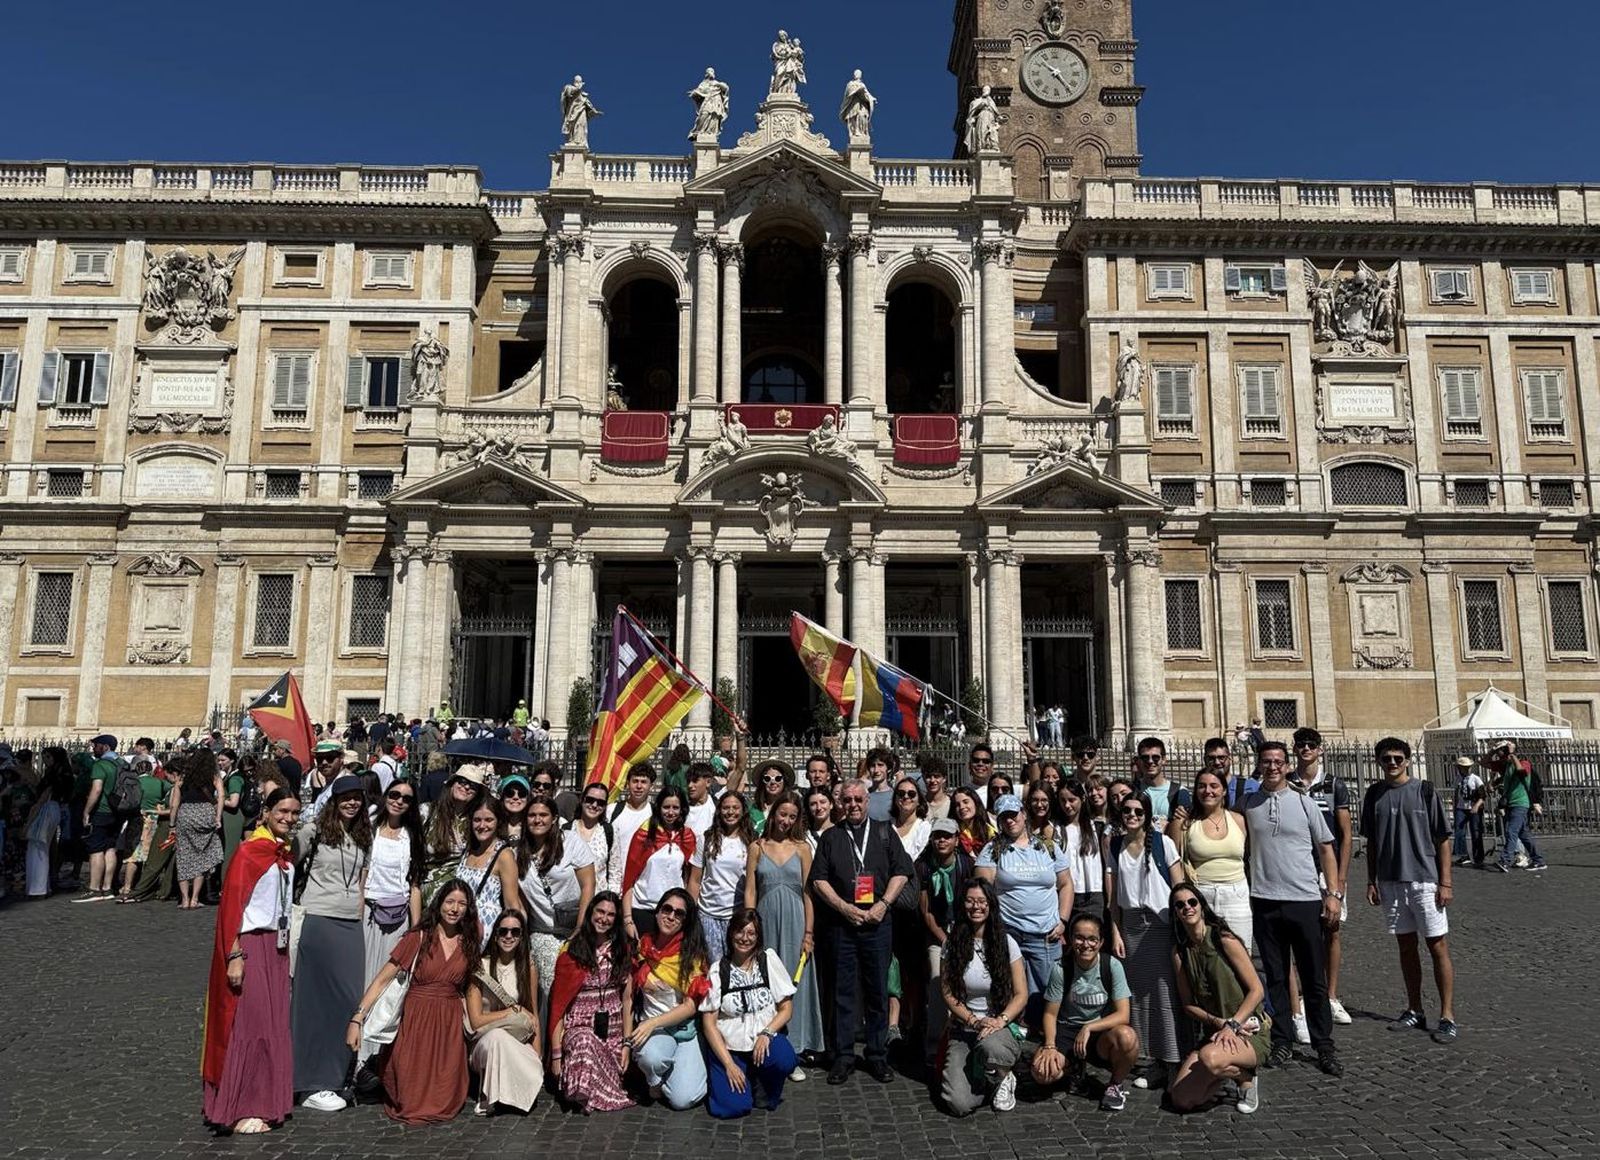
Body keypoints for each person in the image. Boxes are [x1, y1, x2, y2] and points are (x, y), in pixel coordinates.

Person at [1240, 741, 1344, 1076]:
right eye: (1266, 761)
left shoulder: (1304, 802)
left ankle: (1323, 1044)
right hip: (1264, 899)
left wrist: (1333, 894)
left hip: (1304, 899)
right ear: (1259, 765)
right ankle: (1282, 1040)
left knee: (1313, 977)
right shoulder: (1247, 805)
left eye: (1278, 762)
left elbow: (1326, 849)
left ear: (1286, 766)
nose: (1272, 767)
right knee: (1276, 977)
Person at [201, 788, 300, 1134]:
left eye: (294, 813)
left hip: (277, 948)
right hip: (251, 946)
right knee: (249, 1025)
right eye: (282, 811)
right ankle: (241, 1106)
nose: (288, 818)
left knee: (273, 1025)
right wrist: (234, 955)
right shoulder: (249, 852)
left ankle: (267, 1101)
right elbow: (232, 908)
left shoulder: (284, 851)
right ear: (266, 813)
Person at [347, 879, 480, 1125]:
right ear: (439, 904)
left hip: (448, 1023)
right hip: (416, 1020)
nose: (455, 909)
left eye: (462, 904)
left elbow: (472, 986)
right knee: (410, 1096)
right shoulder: (418, 937)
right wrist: (358, 1018)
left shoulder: (470, 942)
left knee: (445, 1094)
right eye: (450, 902)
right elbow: (381, 980)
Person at [809, 778, 915, 1085]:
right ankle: (843, 1056)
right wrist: (844, 907)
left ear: (867, 802)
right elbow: (818, 880)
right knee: (843, 992)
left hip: (878, 924)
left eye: (858, 799)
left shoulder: (884, 832)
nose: (853, 805)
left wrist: (883, 904)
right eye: (847, 800)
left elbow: (901, 872)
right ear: (840, 803)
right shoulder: (831, 837)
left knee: (877, 991)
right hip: (842, 925)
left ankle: (877, 1055)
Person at [1361, 738, 1458, 1044]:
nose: (1392, 763)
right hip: (1390, 881)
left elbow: (1443, 839)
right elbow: (1372, 842)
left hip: (1424, 880)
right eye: (1386, 758)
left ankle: (1447, 1016)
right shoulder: (1374, 794)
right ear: (1378, 762)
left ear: (1407, 760)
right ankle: (1414, 1008)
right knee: (1405, 948)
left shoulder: (1424, 791)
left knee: (1437, 946)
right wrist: (1371, 880)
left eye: (1397, 758)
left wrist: (1445, 882)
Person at [291, 773, 371, 1113]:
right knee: (314, 1004)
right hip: (319, 918)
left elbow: (363, 882)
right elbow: (286, 863)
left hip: (351, 923)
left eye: (357, 797)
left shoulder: (364, 836)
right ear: (334, 801)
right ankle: (310, 1082)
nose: (352, 803)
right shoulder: (314, 831)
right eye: (345, 797)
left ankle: (336, 1076)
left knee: (349, 1000)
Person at [1167, 883, 1272, 1115]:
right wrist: (1218, 1022)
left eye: (1192, 902)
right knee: (1181, 1099)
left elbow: (1257, 990)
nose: (1187, 907)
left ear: (1201, 906)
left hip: (1248, 1028)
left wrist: (1232, 1024)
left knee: (1209, 1058)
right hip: (1216, 1033)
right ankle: (1229, 1072)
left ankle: (1246, 1078)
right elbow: (1188, 1005)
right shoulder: (1179, 952)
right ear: (1175, 913)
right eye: (1180, 905)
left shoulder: (1223, 939)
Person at [1104, 789, 1182, 1088]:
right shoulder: (1115, 845)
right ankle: (1151, 1059)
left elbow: (1180, 886)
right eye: (1127, 811)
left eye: (1138, 811)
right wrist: (1116, 933)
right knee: (1138, 997)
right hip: (1132, 927)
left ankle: (1174, 1060)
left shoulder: (1163, 843)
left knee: (1166, 994)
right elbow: (1113, 899)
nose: (1132, 816)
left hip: (1161, 925)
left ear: (1147, 815)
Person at [975, 793, 1073, 1030]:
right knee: (1009, 989)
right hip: (1010, 933)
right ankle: (1013, 1037)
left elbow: (1066, 884)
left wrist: (1062, 920)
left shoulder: (1048, 847)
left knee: (1048, 991)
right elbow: (983, 892)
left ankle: (1047, 1039)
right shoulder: (992, 850)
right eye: (1004, 817)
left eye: (1014, 815)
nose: (1010, 821)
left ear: (1024, 814)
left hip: (1046, 933)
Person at [746, 792, 823, 1067]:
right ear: (773, 814)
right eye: (783, 814)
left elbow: (808, 894)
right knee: (766, 982)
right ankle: (768, 1043)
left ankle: (796, 1047)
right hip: (765, 921)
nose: (786, 821)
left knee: (794, 982)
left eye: (792, 816)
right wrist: (750, 926)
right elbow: (751, 890)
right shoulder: (757, 847)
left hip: (796, 922)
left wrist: (809, 933)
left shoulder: (803, 848)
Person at [1031, 913, 1138, 1112]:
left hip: (1099, 1033)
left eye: (1092, 939)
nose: (1085, 944)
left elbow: (1123, 1015)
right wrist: (1050, 1045)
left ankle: (1115, 1085)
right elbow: (1050, 1014)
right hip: (1067, 1030)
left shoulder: (1112, 966)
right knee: (1042, 1073)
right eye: (1079, 938)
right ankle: (1071, 1067)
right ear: (1071, 939)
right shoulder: (1061, 968)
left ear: (1101, 942)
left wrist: (1089, 1027)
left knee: (1127, 1036)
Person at [938, 879, 1027, 1115]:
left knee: (991, 1046)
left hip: (999, 1025)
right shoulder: (951, 943)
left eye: (981, 901)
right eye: (970, 901)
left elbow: (1021, 994)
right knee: (958, 1104)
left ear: (991, 904)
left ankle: (1003, 1073)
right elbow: (947, 992)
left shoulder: (1007, 943)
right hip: (965, 1026)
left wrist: (999, 1021)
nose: (976, 906)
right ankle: (988, 1076)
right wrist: (973, 1021)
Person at [700, 908, 800, 1117]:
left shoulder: (767, 961)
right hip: (731, 1048)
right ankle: (733, 1076)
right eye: (740, 931)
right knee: (734, 1107)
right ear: (731, 933)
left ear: (758, 937)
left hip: (763, 1040)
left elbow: (786, 1008)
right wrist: (728, 1064)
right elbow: (709, 1024)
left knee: (785, 1059)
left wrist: (767, 1032)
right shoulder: (719, 970)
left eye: (751, 933)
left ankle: (763, 1082)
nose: (745, 938)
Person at [1292, 726, 1355, 1031]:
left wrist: (1340, 879)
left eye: (1311, 744)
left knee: (1332, 931)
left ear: (1320, 749)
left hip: (1326, 870)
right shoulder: (1286, 782)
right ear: (1295, 749)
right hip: (1297, 869)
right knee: (1301, 934)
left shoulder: (1334, 785)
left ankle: (1330, 996)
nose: (1306, 748)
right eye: (1301, 744)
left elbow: (1346, 834)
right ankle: (1306, 995)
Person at [549, 890, 635, 1113]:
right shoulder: (571, 953)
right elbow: (558, 1007)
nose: (604, 918)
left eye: (610, 914)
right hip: (579, 1027)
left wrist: (626, 1044)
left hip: (612, 1032)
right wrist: (556, 1055)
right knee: (585, 1041)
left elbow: (627, 1000)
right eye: (600, 911)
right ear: (590, 913)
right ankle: (581, 1091)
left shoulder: (622, 951)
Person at [627, 888, 712, 1109]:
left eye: (679, 913)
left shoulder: (692, 955)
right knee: (652, 1058)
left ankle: (673, 1071)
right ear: (657, 912)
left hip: (684, 1029)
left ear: (685, 921)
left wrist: (653, 1023)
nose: (671, 916)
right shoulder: (643, 946)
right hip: (654, 1031)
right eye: (667, 909)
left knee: (683, 1100)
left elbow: (691, 1006)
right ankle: (654, 1080)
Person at [517, 796, 596, 1000]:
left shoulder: (570, 841)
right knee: (550, 988)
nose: (537, 820)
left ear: (554, 818)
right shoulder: (518, 851)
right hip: (542, 931)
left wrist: (580, 927)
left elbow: (588, 884)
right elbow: (521, 898)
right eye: (532, 815)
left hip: (574, 928)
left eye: (543, 815)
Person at [466, 909, 544, 1115]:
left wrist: (538, 1054)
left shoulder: (528, 967)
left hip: (517, 1041)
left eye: (515, 932)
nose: (509, 936)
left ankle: (509, 1092)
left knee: (526, 1058)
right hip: (483, 1043)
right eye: (503, 931)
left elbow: (533, 1014)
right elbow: (475, 1021)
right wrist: (511, 1011)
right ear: (495, 934)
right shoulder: (479, 967)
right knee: (497, 1037)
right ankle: (488, 1096)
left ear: (522, 936)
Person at [1174, 768, 1252, 951]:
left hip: (1236, 896)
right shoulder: (1184, 823)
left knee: (1241, 954)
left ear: (1224, 790)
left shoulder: (1239, 820)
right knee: (1205, 954)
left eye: (1214, 786)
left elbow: (1250, 857)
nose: (1207, 791)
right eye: (1202, 786)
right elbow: (1175, 863)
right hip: (1200, 895)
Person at [363, 777, 423, 988]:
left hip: (397, 915)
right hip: (367, 910)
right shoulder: (369, 828)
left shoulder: (412, 836)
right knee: (361, 972)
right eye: (394, 795)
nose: (399, 801)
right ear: (386, 795)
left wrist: (416, 929)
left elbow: (414, 884)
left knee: (385, 978)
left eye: (406, 799)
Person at [622, 786, 695, 939]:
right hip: (643, 909)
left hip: (673, 913)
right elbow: (629, 878)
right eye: (666, 807)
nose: (670, 812)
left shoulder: (687, 836)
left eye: (675, 808)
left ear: (682, 809)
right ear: (659, 808)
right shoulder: (644, 834)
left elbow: (688, 877)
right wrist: (627, 918)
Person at [689, 790, 754, 962]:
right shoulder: (707, 838)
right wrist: (691, 914)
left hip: (737, 916)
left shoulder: (752, 841)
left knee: (736, 966)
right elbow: (695, 880)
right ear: (719, 811)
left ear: (743, 811)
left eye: (735, 808)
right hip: (707, 915)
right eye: (726, 808)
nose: (730, 812)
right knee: (712, 968)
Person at [456, 796, 520, 949]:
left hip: (486, 936)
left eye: (489, 820)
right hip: (461, 929)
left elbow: (512, 905)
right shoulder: (468, 850)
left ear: (498, 822)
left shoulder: (504, 855)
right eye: (477, 820)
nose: (482, 825)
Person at [421, 763, 487, 900]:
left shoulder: (477, 820)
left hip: (464, 886)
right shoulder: (427, 812)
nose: (466, 787)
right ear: (451, 783)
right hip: (430, 885)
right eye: (462, 781)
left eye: (473, 785)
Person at [75, 733, 125, 903]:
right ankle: (108, 887)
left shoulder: (101, 765)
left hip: (101, 811)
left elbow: (96, 790)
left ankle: (94, 889)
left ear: (105, 747)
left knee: (95, 849)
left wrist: (86, 811)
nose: (93, 749)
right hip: (118, 811)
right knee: (110, 848)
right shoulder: (122, 763)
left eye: (96, 746)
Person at [172, 749, 224, 910]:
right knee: (201, 857)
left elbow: (175, 803)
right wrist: (218, 817)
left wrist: (172, 824)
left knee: (183, 856)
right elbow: (221, 796)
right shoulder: (214, 776)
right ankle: (194, 899)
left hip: (186, 813)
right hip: (205, 813)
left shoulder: (183, 777)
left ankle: (184, 899)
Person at [1487, 741, 1547, 872]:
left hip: (1521, 803)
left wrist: (1512, 754)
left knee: (1511, 831)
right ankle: (1538, 860)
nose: (1499, 755)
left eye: (1501, 752)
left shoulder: (1524, 763)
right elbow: (1485, 763)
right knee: (1524, 834)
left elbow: (1522, 772)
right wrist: (1493, 750)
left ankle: (1505, 861)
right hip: (1512, 803)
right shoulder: (1507, 765)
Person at [1056, 780, 1106, 924]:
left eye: (1072, 800)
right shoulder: (1056, 829)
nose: (1067, 805)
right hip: (1066, 894)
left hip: (1093, 894)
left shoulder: (1096, 827)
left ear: (1082, 799)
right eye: (1063, 800)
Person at [605, 763, 656, 891]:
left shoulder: (656, 814)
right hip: (615, 885)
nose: (639, 786)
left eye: (643, 782)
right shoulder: (612, 811)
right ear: (628, 784)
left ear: (651, 786)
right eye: (635, 781)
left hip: (644, 887)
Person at [1132, 737, 1190, 836]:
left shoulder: (1179, 792)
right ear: (1139, 761)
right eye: (1145, 758)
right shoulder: (1132, 790)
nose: (1150, 761)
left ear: (1164, 760)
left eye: (1155, 757)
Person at [566, 782, 617, 893]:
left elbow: (615, 870)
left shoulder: (609, 831)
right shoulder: (566, 830)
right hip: (571, 899)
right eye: (590, 800)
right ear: (582, 800)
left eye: (600, 802)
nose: (594, 805)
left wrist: (612, 897)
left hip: (599, 899)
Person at [1451, 755, 1487, 868]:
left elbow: (1483, 795)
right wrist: (1455, 808)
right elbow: (1456, 794)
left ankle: (1478, 857)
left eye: (1468, 767)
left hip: (1473, 807)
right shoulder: (1457, 779)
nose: (1466, 769)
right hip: (1461, 808)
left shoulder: (1476, 779)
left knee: (1475, 832)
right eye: (1464, 767)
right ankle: (1463, 855)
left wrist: (1476, 806)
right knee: (1459, 831)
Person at [749, 759, 796, 832]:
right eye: (767, 779)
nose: (773, 782)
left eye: (778, 778)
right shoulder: (752, 809)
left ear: (784, 781)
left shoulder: (793, 807)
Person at [949, 786, 992, 856]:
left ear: (975, 802)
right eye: (957, 805)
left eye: (966, 802)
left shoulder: (991, 831)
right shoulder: (954, 834)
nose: (962, 807)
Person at [498, 773, 531, 843]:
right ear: (502, 797)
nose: (515, 797)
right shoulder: (494, 825)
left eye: (521, 793)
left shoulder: (533, 826)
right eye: (510, 793)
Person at [803, 786, 835, 854]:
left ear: (831, 804)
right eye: (813, 804)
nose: (819, 807)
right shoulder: (804, 837)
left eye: (823, 802)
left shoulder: (842, 833)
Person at [920, 756, 952, 820]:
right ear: (923, 778)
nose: (932, 780)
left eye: (936, 776)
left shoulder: (952, 804)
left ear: (944, 778)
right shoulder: (919, 804)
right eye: (928, 776)